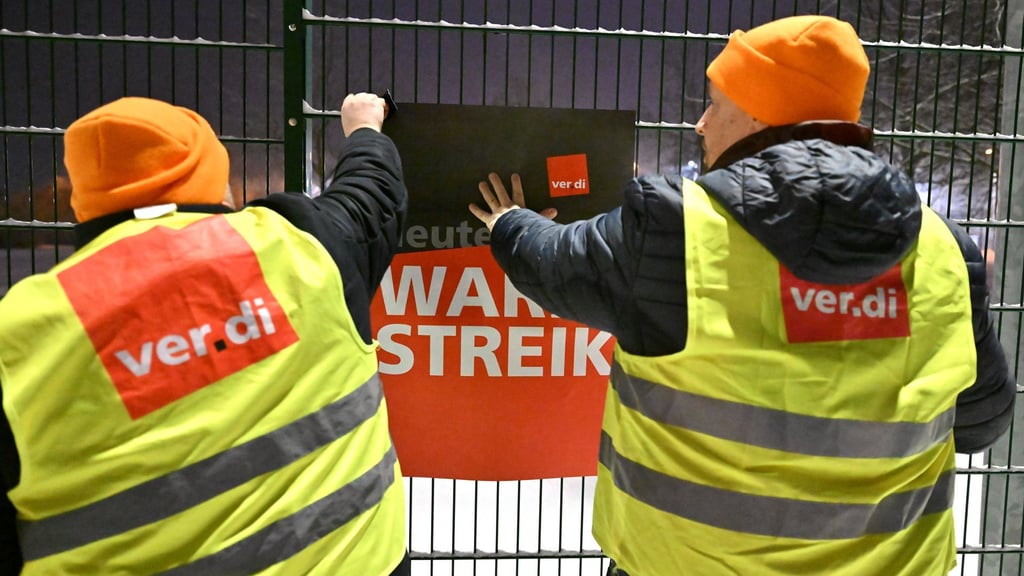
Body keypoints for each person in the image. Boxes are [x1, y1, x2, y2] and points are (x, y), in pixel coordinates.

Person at [470, 14, 1016, 576]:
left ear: (761, 115)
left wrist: (510, 221)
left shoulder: (676, 229)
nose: (702, 124)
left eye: (717, 103)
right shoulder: (945, 249)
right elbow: (980, 421)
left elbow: (554, 266)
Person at [0, 94, 410, 575]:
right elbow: (372, 194)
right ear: (214, 174)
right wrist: (364, 128)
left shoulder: (22, 330)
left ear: (82, 196)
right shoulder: (302, 247)